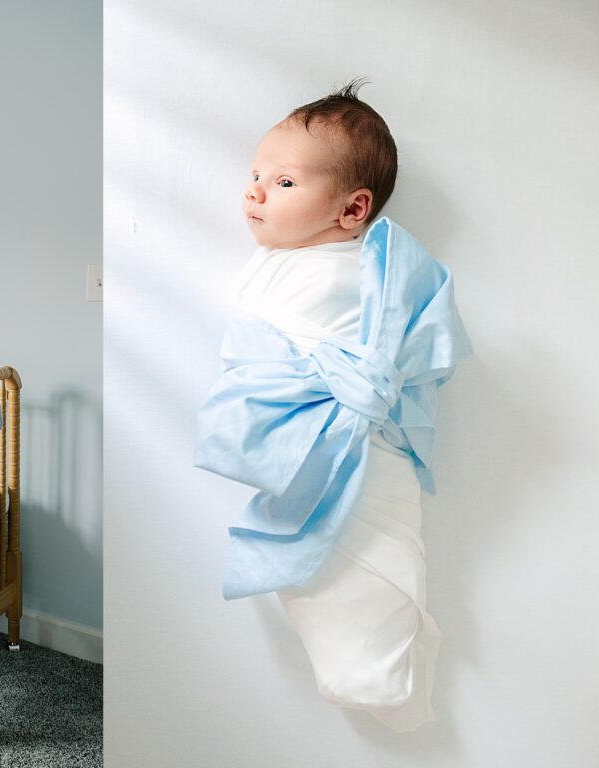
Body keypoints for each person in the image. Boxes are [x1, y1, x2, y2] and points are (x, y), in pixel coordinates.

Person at [196, 78, 472, 731]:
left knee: (367, 563)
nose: (255, 190)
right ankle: (386, 671)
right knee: (322, 584)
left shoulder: (353, 275)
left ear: (352, 211)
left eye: (284, 182)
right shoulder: (288, 265)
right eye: (256, 174)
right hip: (317, 452)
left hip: (365, 457)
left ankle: (389, 675)